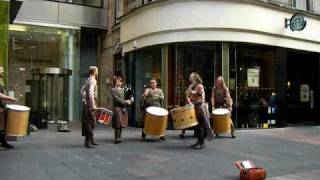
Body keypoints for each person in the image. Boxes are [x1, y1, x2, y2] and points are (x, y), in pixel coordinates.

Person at [186, 72, 213, 149]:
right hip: (194, 107)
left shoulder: (199, 86)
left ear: (195, 78)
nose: (190, 78)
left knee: (201, 125)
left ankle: (202, 143)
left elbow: (202, 97)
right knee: (197, 125)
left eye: (191, 77)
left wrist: (195, 93)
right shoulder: (192, 86)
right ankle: (199, 141)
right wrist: (189, 101)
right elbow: (187, 95)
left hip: (200, 108)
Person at [80, 66, 99, 148]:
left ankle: (88, 141)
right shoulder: (93, 80)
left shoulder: (88, 80)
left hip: (87, 104)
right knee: (91, 122)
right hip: (90, 105)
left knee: (89, 122)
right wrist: (93, 104)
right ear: (95, 72)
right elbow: (91, 93)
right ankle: (89, 140)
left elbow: (81, 90)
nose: (97, 72)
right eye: (97, 70)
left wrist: (84, 98)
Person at [0, 66, 18, 149]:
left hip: (1, 106)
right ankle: (4, 143)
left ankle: (3, 142)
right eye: (1, 70)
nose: (3, 72)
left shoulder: (1, 80)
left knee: (2, 126)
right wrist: (10, 98)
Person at [111, 76, 132, 144]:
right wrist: (126, 101)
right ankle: (116, 137)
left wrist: (130, 99)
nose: (119, 83)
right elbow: (117, 99)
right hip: (117, 108)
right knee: (118, 123)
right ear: (115, 82)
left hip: (123, 108)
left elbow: (128, 96)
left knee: (122, 123)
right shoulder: (113, 89)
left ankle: (120, 137)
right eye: (118, 81)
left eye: (120, 81)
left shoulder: (123, 89)